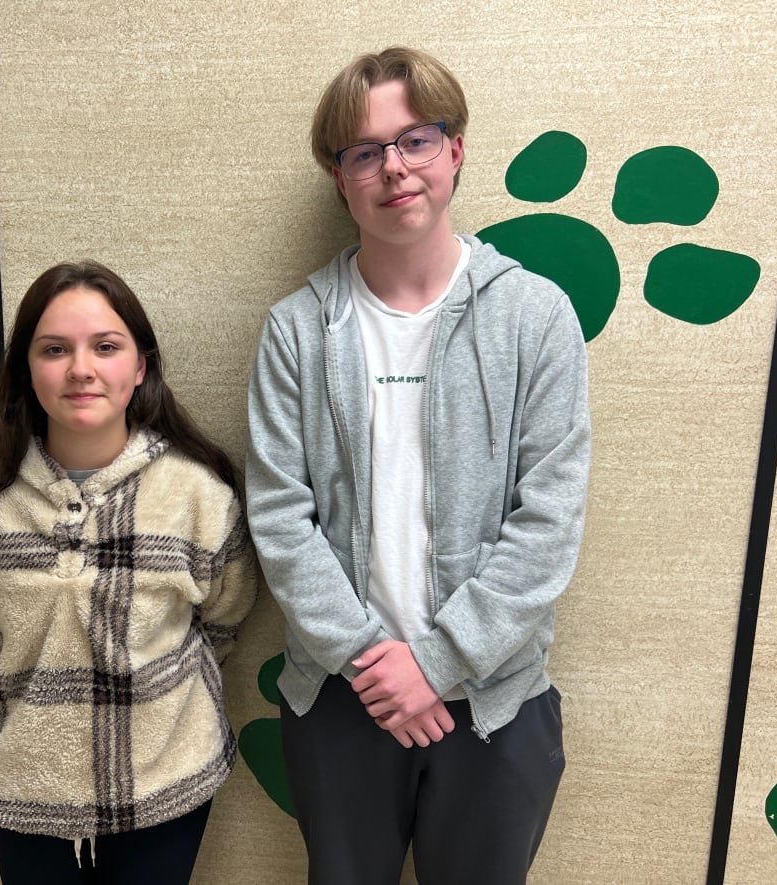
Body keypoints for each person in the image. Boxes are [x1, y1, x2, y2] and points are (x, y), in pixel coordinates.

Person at [245, 47, 590, 884]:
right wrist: (375, 663)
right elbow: (279, 517)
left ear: (456, 148)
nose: (393, 168)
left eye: (416, 140)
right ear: (340, 178)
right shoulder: (298, 330)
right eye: (364, 152)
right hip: (340, 696)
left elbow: (548, 521)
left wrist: (434, 662)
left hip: (494, 705)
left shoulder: (536, 316)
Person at [0, 260, 256, 885]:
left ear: (140, 366)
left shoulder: (199, 495)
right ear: (27, 367)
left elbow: (226, 615)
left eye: (106, 347)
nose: (81, 368)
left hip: (165, 772)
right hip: (23, 774)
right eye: (55, 349)